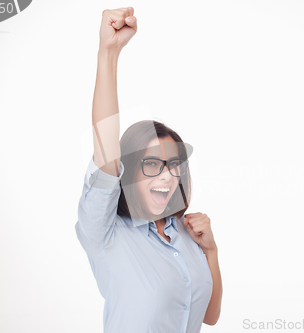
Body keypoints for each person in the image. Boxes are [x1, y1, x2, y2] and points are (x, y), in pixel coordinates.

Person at [75, 7, 222, 333]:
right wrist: (108, 53)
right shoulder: (106, 233)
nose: (167, 175)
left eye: (173, 165)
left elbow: (209, 316)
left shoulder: (186, 232)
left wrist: (211, 250)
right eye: (152, 164)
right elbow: (106, 147)